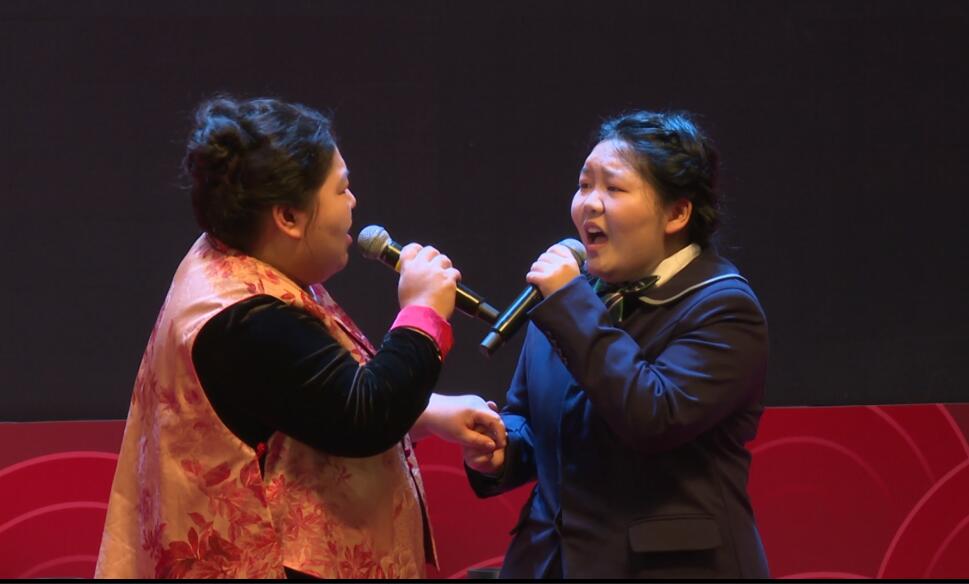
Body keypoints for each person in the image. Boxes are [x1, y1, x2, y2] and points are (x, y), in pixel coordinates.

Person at [95, 96, 505, 579]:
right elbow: (361, 416)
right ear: (287, 217)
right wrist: (423, 313)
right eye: (341, 188)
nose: (353, 202)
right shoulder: (242, 319)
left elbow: (307, 403)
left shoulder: (233, 261)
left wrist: (427, 411)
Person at [463, 111, 770, 578]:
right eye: (584, 185)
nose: (589, 203)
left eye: (613, 188)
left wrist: (571, 304)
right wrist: (502, 451)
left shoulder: (723, 307)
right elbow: (530, 417)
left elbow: (652, 416)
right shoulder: (573, 296)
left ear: (677, 213)